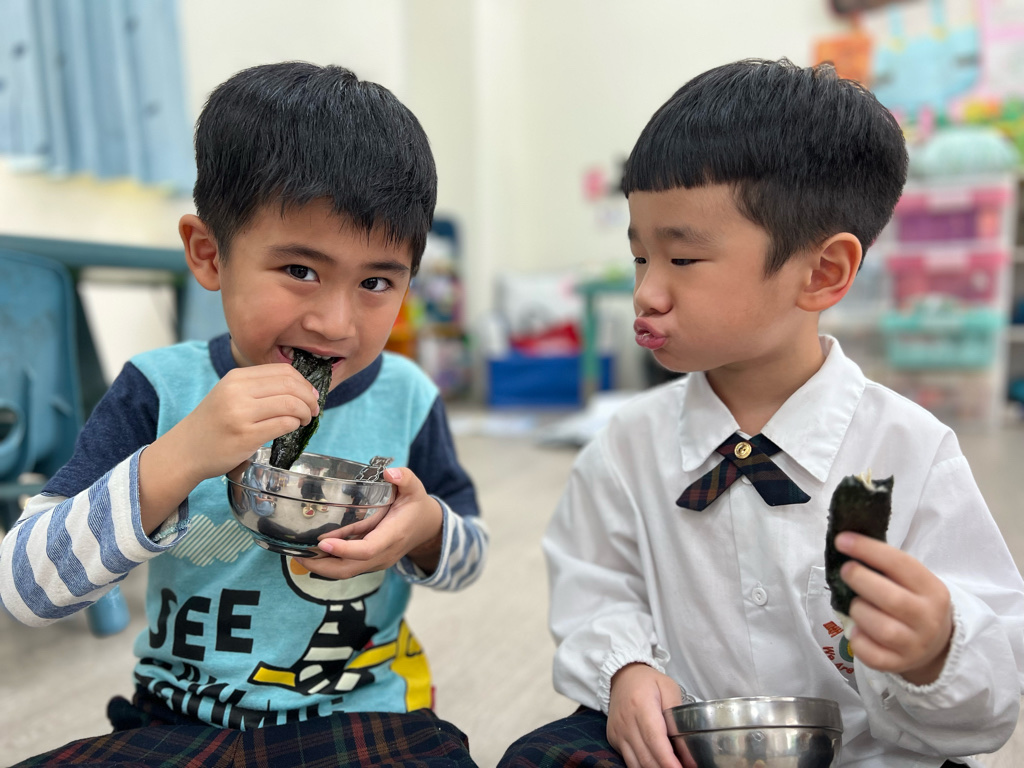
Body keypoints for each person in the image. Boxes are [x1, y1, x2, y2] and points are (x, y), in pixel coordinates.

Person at [499, 58, 1024, 768]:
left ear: (822, 273)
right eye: (640, 257)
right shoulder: (625, 447)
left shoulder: (911, 451)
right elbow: (597, 587)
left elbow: (993, 687)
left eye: (683, 260)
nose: (647, 292)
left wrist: (936, 649)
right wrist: (626, 669)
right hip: (686, 746)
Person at [0, 61, 487, 767]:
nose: (335, 322)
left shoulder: (407, 396)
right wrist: (178, 456)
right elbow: (26, 589)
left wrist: (428, 529)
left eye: (377, 281)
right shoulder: (159, 389)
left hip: (355, 720)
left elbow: (469, 557)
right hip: (180, 721)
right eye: (300, 271)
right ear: (209, 254)